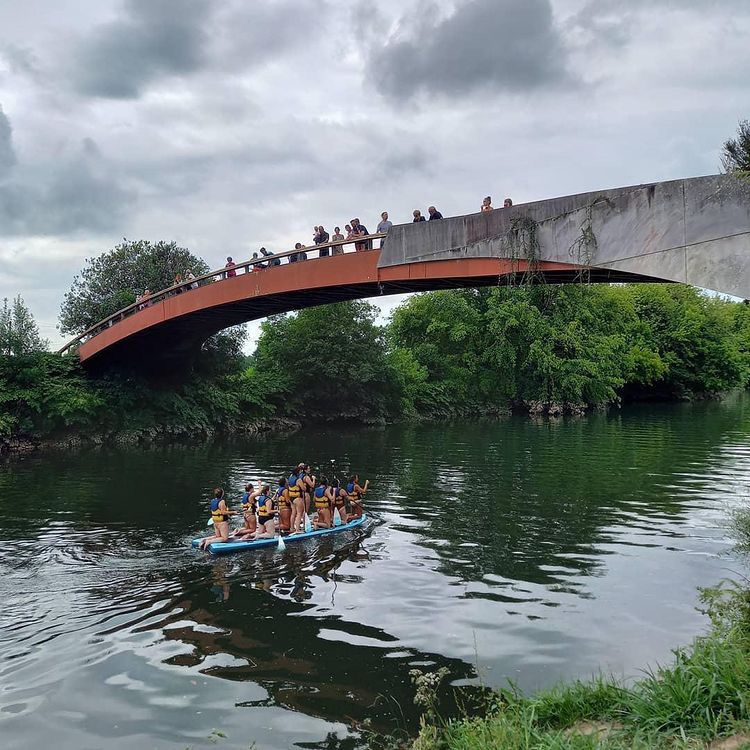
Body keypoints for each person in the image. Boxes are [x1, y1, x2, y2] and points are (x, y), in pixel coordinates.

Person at [287, 467, 307, 534]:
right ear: (298, 472)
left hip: (291, 499)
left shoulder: (290, 478)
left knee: (293, 513)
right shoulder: (298, 480)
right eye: (300, 472)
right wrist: (304, 485)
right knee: (299, 513)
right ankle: (297, 530)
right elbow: (304, 489)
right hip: (298, 498)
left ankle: (292, 528)